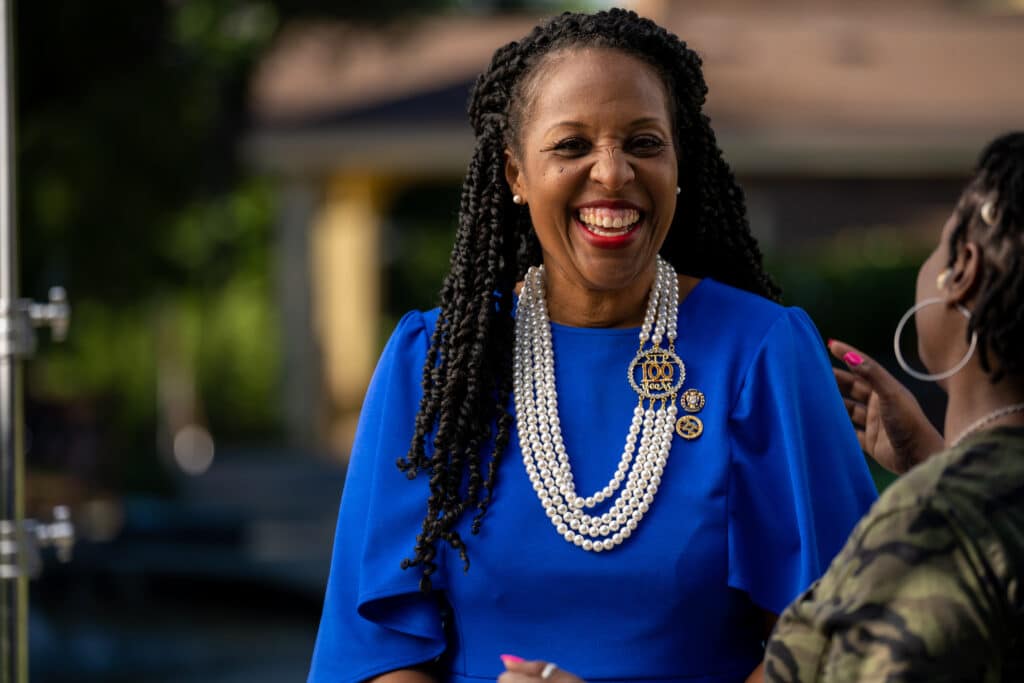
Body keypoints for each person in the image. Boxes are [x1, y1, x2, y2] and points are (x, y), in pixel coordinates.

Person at [308, 9, 876, 683]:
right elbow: (371, 655)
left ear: (678, 161)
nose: (612, 174)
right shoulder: (429, 366)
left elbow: (832, 647)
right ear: (515, 173)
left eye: (643, 142)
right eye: (571, 146)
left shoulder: (761, 354)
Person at [763, 131, 1024, 681]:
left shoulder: (935, 524)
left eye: (940, 241)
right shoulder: (954, 504)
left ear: (963, 272)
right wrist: (937, 461)